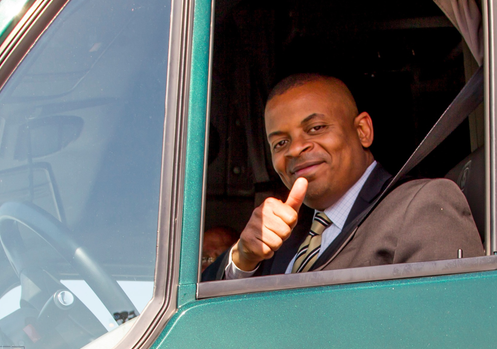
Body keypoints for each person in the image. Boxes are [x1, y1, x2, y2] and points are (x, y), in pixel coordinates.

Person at [201, 74, 482, 281]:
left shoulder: (423, 206)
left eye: (316, 128)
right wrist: (243, 258)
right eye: (281, 143)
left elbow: (446, 340)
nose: (296, 149)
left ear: (363, 131)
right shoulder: (282, 234)